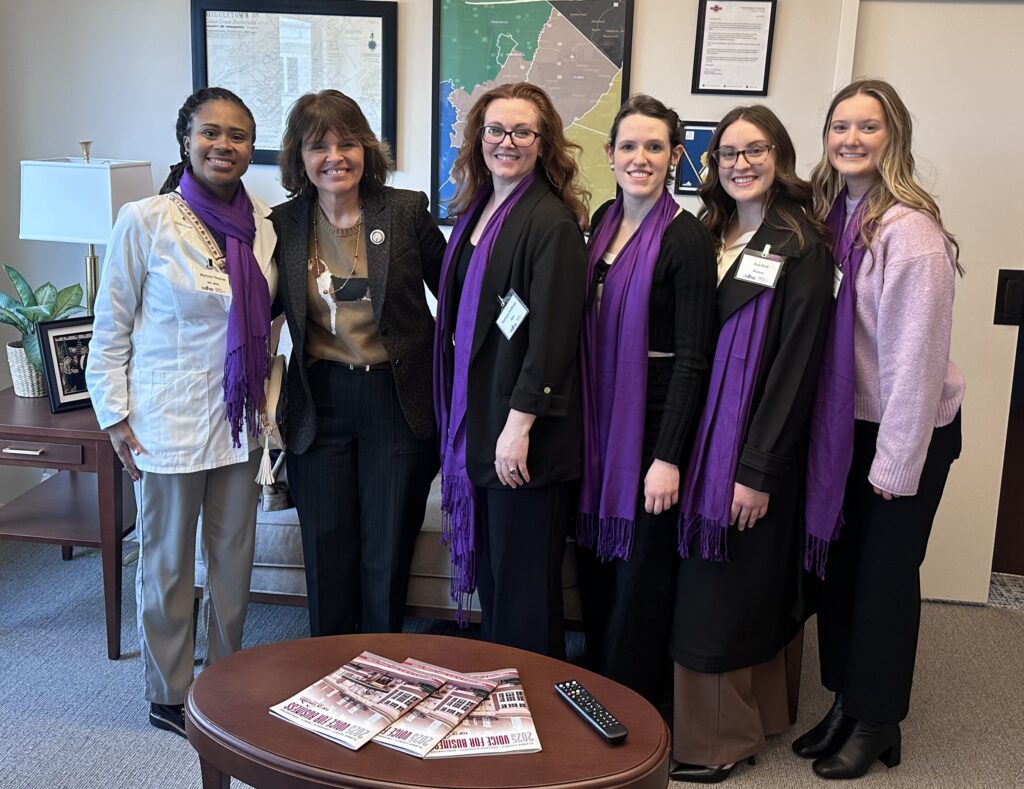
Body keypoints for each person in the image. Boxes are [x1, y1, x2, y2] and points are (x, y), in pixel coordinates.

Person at [87, 87, 276, 737]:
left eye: (239, 135)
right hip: (166, 418)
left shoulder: (264, 221)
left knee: (233, 560)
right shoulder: (145, 220)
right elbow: (108, 329)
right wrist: (114, 416)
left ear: (253, 147)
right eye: (211, 132)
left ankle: (224, 677)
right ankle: (168, 690)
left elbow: (268, 322)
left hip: (239, 417)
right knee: (167, 562)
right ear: (186, 139)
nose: (224, 145)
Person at [795, 78, 964, 780]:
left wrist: (896, 465)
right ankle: (845, 700)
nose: (851, 139)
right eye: (840, 126)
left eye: (868, 127)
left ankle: (878, 719)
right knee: (838, 575)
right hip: (847, 426)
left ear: (892, 137)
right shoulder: (833, 215)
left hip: (905, 430)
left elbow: (915, 364)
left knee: (883, 581)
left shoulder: (911, 234)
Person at [668, 105, 834, 783]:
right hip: (701, 440)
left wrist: (757, 469)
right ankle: (758, 715)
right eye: (727, 152)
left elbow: (797, 367)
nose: (740, 162)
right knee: (735, 590)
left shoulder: (800, 244)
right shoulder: (710, 232)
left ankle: (715, 741)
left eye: (754, 149)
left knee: (725, 593)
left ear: (779, 155)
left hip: (750, 451)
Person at [272, 90, 446, 636]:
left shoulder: (404, 210)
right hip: (318, 400)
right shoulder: (282, 224)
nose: (334, 156)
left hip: (396, 399)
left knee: (386, 549)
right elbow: (256, 307)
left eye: (347, 143)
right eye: (317, 145)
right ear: (298, 157)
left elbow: (459, 293)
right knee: (326, 550)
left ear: (366, 148)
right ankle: (328, 675)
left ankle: (382, 672)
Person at [432, 82, 588, 658]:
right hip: (484, 420)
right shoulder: (479, 208)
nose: (507, 142)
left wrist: (518, 427)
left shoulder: (550, 223)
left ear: (543, 144)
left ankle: (537, 709)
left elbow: (551, 340)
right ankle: (506, 695)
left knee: (524, 591)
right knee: (499, 579)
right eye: (495, 130)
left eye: (523, 131)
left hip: (524, 435)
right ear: (478, 138)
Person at [574, 95, 717, 708]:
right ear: (610, 155)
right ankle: (598, 686)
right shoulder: (602, 219)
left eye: (655, 147)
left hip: (652, 422)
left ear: (675, 157)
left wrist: (669, 457)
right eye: (628, 146)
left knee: (640, 575)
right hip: (596, 418)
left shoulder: (685, 239)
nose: (641, 158)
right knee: (597, 565)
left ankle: (633, 708)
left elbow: (694, 357)